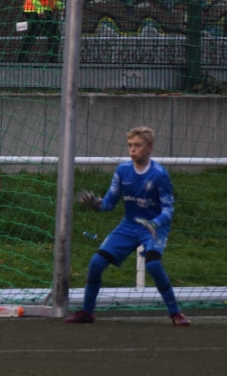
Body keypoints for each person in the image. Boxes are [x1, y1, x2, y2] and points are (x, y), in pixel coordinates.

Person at [65, 126, 190, 326]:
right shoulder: (123, 170)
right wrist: (96, 203)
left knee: (153, 265)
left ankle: (176, 313)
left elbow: (168, 209)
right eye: (130, 145)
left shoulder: (159, 175)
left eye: (138, 145)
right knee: (96, 264)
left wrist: (154, 223)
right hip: (129, 225)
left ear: (149, 148)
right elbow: (109, 202)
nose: (132, 149)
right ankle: (87, 312)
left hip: (154, 227)